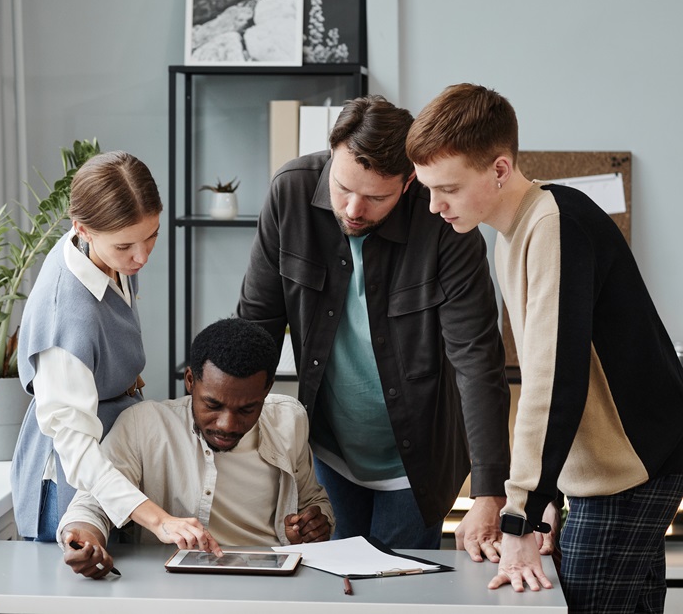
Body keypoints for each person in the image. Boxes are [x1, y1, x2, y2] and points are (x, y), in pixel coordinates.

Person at [407, 82, 683, 612]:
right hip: (616, 472)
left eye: (448, 188)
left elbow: (552, 383)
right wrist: (548, 498)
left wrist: (520, 518)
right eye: (428, 189)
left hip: (628, 473)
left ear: (500, 169)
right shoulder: (515, 233)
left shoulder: (555, 225)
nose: (435, 205)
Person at [237, 94, 512, 555]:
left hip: (415, 462)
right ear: (332, 154)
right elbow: (254, 327)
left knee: (397, 587)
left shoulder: (444, 221)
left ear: (409, 182)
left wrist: (489, 492)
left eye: (376, 197)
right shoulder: (291, 192)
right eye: (343, 187)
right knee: (329, 579)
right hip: (327, 449)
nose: (352, 209)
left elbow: (477, 359)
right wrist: (233, 452)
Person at [11, 150, 219, 554]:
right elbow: (78, 452)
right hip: (75, 479)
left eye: (152, 235)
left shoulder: (104, 255)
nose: (142, 256)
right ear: (82, 229)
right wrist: (159, 520)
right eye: (125, 245)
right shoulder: (63, 315)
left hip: (117, 450)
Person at [58, 318, 334, 579]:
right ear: (190, 380)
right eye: (213, 405)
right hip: (174, 585)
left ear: (267, 389)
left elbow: (312, 500)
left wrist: (313, 525)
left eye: (247, 409)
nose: (227, 424)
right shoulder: (144, 424)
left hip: (272, 579)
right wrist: (87, 541)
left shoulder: (289, 420)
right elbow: (92, 504)